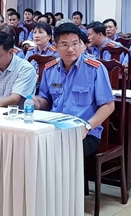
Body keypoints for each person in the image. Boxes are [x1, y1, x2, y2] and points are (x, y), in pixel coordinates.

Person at [32, 23, 115, 158]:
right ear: (56, 46)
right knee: (32, 147)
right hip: (54, 129)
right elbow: (45, 100)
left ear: (80, 44)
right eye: (64, 45)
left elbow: (108, 105)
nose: (70, 49)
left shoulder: (95, 69)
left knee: (59, 153)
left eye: (75, 44)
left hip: (85, 132)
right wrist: (36, 102)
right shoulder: (49, 69)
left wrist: (87, 127)